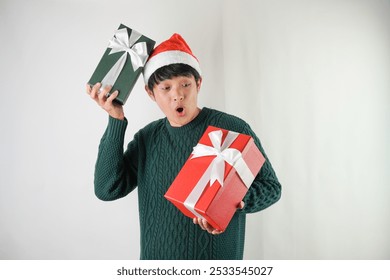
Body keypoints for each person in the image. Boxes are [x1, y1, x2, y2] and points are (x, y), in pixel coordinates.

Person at [86, 33, 281, 260]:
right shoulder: (147, 138)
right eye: (165, 88)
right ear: (150, 93)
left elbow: (271, 188)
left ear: (198, 83)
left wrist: (230, 203)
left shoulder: (232, 128)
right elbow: (107, 189)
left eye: (185, 84)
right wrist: (115, 120)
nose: (177, 95)